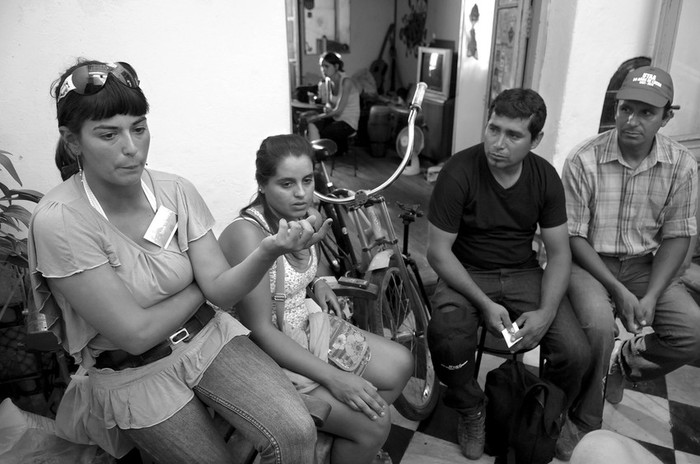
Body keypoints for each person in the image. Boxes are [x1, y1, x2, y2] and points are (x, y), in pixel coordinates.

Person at [28, 59, 333, 464]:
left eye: (138, 128)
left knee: (296, 433)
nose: (131, 147)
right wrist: (201, 285)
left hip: (210, 339)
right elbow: (135, 334)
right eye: (108, 134)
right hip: (135, 374)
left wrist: (267, 250)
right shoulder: (61, 221)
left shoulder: (175, 190)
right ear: (72, 142)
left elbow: (222, 291)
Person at [218, 134, 413, 464]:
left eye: (307, 180)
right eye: (286, 183)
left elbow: (313, 260)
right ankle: (354, 441)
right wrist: (336, 379)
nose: (300, 193)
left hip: (308, 326)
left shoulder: (306, 213)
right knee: (376, 423)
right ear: (262, 184)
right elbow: (261, 331)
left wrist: (321, 281)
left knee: (401, 365)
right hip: (267, 350)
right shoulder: (247, 235)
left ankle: (339, 440)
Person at [425, 88, 591, 460]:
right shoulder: (458, 172)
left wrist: (546, 313)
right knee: (448, 336)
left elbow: (560, 253)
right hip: (465, 270)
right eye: (493, 129)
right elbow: (437, 252)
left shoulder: (544, 177)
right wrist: (483, 303)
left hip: (522, 271)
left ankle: (551, 411)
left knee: (575, 352)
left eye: (513, 135)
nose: (497, 144)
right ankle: (471, 407)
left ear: (536, 140)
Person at [560, 66, 700, 460]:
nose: (631, 121)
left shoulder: (682, 165)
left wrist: (653, 293)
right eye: (625, 109)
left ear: (666, 117)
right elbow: (573, 236)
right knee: (599, 326)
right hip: (588, 261)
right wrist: (618, 291)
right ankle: (585, 420)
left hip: (644, 265)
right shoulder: (583, 159)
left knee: (692, 331)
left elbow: (677, 235)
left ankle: (626, 362)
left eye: (646, 113)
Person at [302, 52, 360, 154]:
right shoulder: (328, 81)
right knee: (312, 124)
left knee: (324, 130)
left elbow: (338, 110)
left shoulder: (346, 82)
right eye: (321, 66)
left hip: (348, 123)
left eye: (326, 66)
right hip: (336, 119)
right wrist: (327, 108)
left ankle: (323, 156)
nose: (323, 69)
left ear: (336, 66)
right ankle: (316, 156)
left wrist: (319, 116)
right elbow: (328, 104)